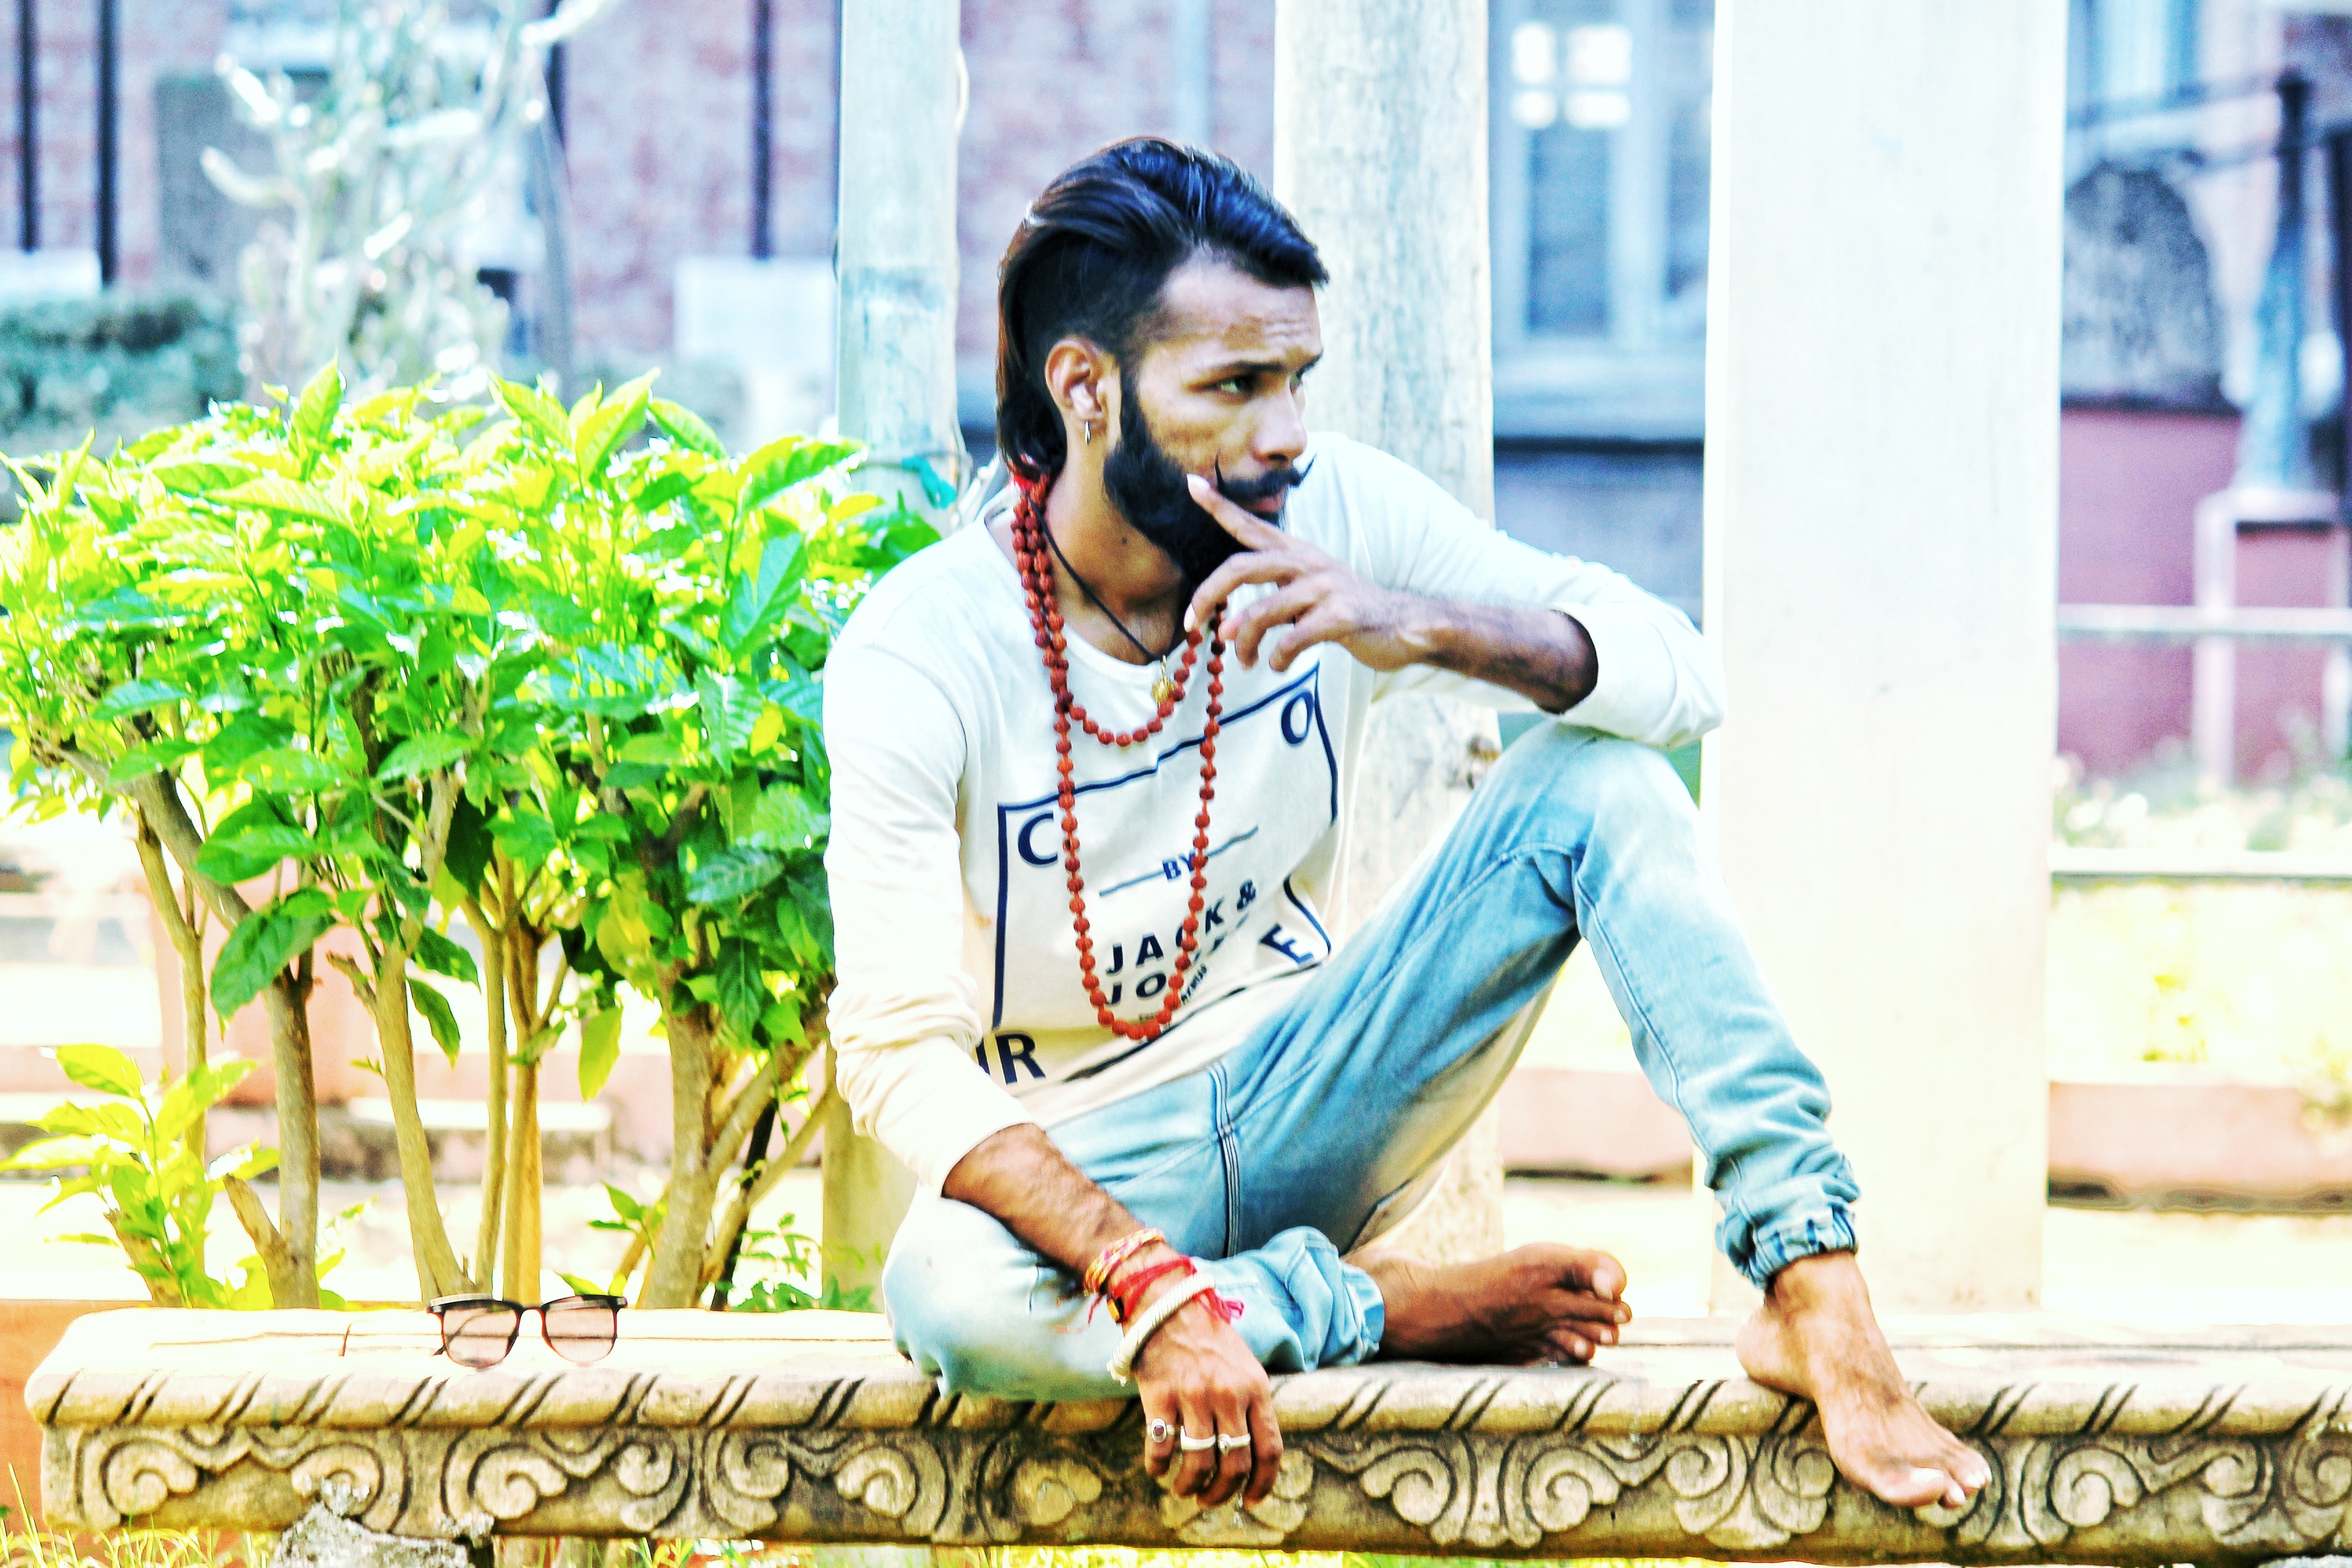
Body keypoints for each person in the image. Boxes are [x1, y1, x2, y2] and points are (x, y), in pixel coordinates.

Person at [822, 137, 1991, 1520]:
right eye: (1235, 386)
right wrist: (1142, 1281)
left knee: (1602, 782)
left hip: (1314, 1089)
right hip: (1084, 1160)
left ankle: (1814, 1290)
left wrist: (1417, 623)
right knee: (946, 1299)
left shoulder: (1337, 517)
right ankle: (1370, 1304)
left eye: (1297, 380)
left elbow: (1682, 677)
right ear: (1086, 387)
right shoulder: (923, 649)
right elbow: (899, 1054)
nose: (1285, 433)